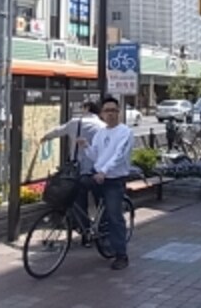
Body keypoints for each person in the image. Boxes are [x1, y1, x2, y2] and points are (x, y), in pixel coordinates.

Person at [78, 96, 134, 270]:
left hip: (114, 179)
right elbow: (96, 155)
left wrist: (105, 171)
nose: (111, 114)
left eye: (114, 110)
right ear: (101, 114)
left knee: (114, 216)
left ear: (119, 112)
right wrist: (86, 146)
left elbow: (119, 156)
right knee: (76, 189)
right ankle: (84, 228)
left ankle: (121, 255)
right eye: (107, 111)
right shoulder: (100, 133)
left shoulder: (125, 132)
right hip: (98, 175)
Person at [41, 100, 104, 243]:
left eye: (82, 107)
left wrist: (45, 137)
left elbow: (57, 131)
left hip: (78, 171)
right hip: (97, 171)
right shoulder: (102, 126)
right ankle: (102, 230)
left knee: (79, 202)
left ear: (87, 108)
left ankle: (85, 233)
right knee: (101, 200)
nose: (81, 109)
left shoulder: (75, 123)